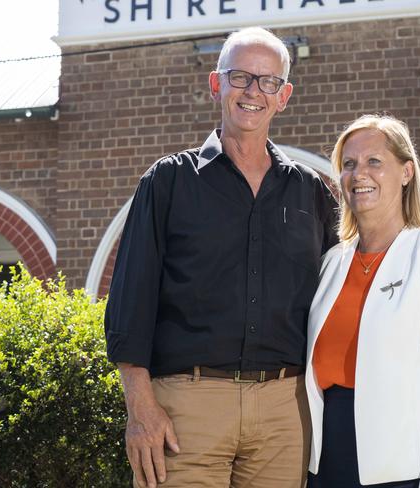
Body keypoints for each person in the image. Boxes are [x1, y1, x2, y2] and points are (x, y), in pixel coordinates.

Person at [105, 27, 337, 488]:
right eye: (240, 77)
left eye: (268, 81)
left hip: (283, 414)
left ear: (284, 96)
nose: (253, 92)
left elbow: (338, 298)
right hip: (186, 409)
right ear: (216, 84)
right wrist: (140, 408)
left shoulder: (310, 191)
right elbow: (130, 301)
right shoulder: (168, 182)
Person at [305, 114, 420, 488]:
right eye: (349, 164)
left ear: (406, 173)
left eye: (374, 162)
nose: (359, 174)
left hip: (406, 469)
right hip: (327, 464)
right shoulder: (330, 264)